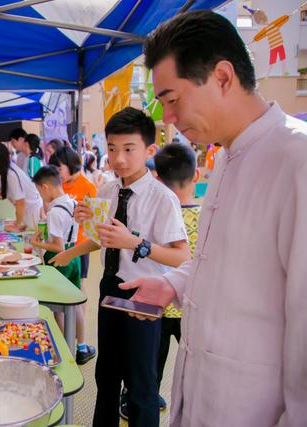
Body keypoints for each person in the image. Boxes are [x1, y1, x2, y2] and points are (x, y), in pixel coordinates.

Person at [119, 11, 307, 426]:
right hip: (203, 394)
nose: (166, 117)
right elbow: (220, 262)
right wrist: (171, 284)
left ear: (222, 77)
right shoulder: (226, 158)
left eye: (171, 99)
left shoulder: (297, 160)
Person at [51, 107, 190, 427]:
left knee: (142, 383)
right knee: (107, 376)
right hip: (109, 288)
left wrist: (135, 243)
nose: (119, 158)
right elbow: (106, 239)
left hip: (145, 294)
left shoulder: (162, 198)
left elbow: (182, 257)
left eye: (129, 149)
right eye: (112, 148)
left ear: (149, 150)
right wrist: (72, 251)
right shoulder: (107, 190)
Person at [118, 142, 201, 419]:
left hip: (157, 304)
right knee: (193, 365)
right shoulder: (205, 219)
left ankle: (141, 398)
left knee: (150, 364)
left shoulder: (157, 209)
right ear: (196, 176)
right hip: (190, 305)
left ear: (156, 176)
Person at [30, 165, 96, 365]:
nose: (40, 195)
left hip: (59, 260)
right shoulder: (71, 202)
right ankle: (82, 347)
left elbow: (57, 246)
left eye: (39, 191)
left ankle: (62, 347)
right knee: (74, 303)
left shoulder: (54, 213)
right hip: (74, 255)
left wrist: (35, 242)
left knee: (57, 308)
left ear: (45, 187)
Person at [48, 146, 99, 365]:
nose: (57, 173)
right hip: (64, 247)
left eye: (59, 167)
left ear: (70, 164)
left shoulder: (88, 187)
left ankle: (79, 338)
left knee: (79, 291)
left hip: (78, 248)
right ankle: (72, 337)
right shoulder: (63, 185)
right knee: (63, 296)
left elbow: (94, 224)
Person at [0, 142, 43, 231]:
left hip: (34, 218)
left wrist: (17, 224)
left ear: (0, 158)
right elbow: (17, 195)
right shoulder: (8, 171)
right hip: (30, 218)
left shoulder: (11, 174)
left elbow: (21, 202)